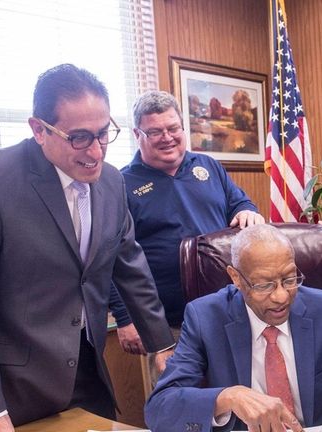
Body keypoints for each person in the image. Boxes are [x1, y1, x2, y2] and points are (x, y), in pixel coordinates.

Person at [0, 64, 175, 431]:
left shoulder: (111, 182)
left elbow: (130, 266)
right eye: (79, 137)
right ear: (38, 129)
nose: (96, 151)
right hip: (14, 390)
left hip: (89, 374)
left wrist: (161, 345)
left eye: (103, 133)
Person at [145, 224, 322, 431]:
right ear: (236, 278)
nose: (281, 296)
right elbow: (160, 408)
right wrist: (228, 397)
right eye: (264, 285)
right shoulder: (205, 317)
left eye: (289, 279)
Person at [108, 90, 263, 356]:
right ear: (137, 135)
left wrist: (248, 210)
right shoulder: (121, 185)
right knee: (180, 395)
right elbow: (108, 257)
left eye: (173, 128)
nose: (167, 137)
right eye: (155, 132)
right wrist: (125, 317)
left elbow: (238, 203)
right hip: (168, 325)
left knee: (239, 392)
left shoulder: (209, 166)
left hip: (229, 310)